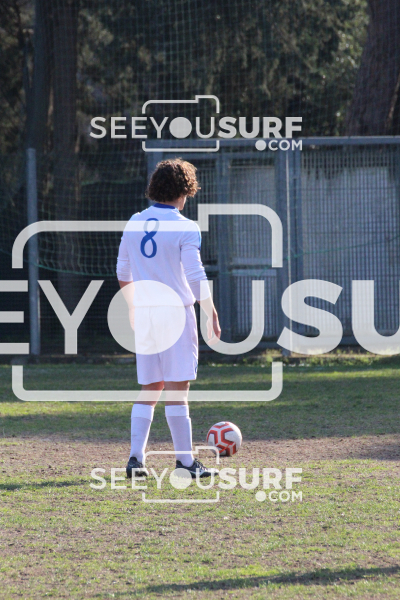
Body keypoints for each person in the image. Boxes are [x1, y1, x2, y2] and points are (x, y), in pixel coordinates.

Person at [116, 158, 221, 479]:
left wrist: (133, 306)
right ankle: (186, 463)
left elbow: (123, 270)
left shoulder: (135, 221)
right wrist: (210, 311)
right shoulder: (185, 227)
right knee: (177, 390)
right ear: (185, 190)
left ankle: (135, 460)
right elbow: (195, 274)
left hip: (147, 314)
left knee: (150, 387)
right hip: (176, 314)